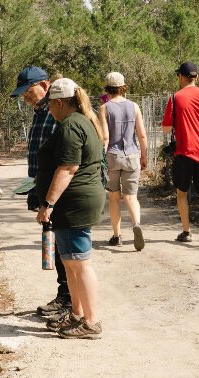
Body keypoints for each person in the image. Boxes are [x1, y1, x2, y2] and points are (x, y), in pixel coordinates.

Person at [35, 78, 105, 339]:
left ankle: (91, 322)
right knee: (70, 262)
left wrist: (48, 204)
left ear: (60, 102)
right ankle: (77, 315)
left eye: (50, 105)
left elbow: (67, 168)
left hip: (74, 203)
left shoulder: (71, 126)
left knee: (80, 263)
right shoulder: (81, 122)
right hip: (71, 204)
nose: (49, 111)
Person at [10, 66, 70, 317]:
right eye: (22, 93)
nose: (26, 96)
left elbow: (65, 157)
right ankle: (64, 296)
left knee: (66, 247)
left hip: (59, 191)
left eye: (29, 90)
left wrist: (51, 196)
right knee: (55, 244)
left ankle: (69, 300)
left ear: (45, 85)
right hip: (43, 187)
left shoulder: (56, 112)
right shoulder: (39, 112)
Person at [161, 61, 199, 243]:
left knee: (182, 192)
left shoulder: (175, 98)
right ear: (196, 77)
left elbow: (166, 129)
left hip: (183, 152)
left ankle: (186, 232)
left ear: (181, 76)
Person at [98, 71, 147, 251]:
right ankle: (136, 224)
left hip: (112, 156)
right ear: (123, 87)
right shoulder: (134, 106)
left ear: (107, 88)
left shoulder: (104, 108)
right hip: (132, 156)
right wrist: (144, 156)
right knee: (131, 196)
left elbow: (105, 138)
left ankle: (117, 235)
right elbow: (141, 135)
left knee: (113, 197)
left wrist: (101, 160)